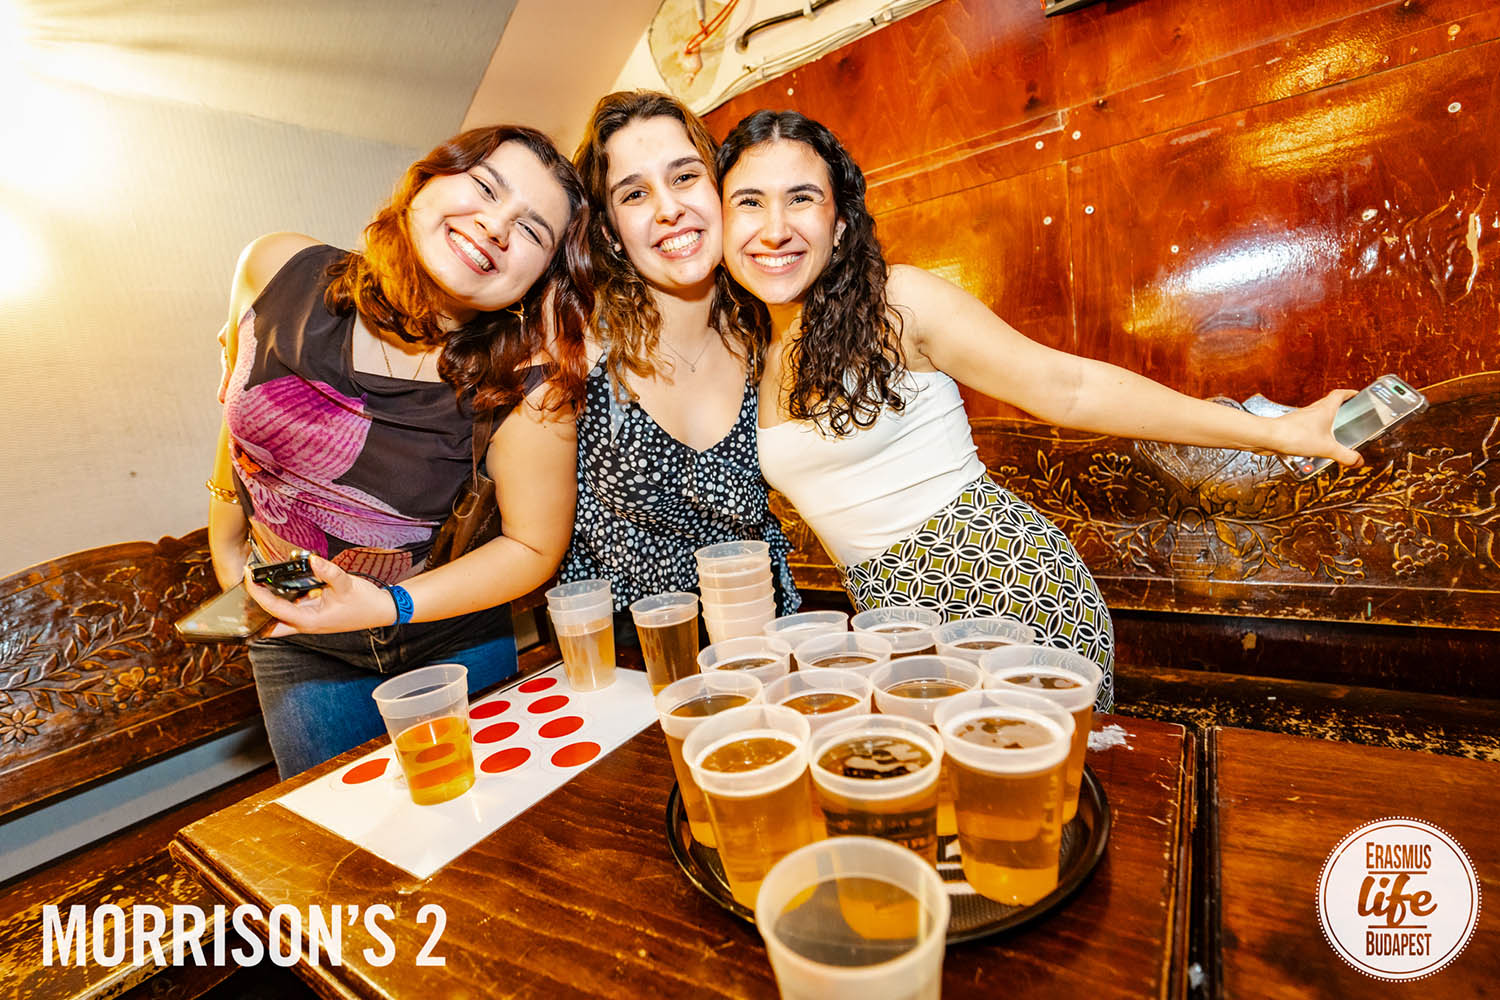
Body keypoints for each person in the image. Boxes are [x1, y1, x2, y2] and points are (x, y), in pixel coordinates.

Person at [716, 111, 1362, 711]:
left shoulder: (897, 302)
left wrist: (1275, 433)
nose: (775, 228)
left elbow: (1070, 387)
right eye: (749, 202)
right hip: (894, 622)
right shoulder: (751, 348)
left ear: (839, 223)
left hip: (1008, 592)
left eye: (802, 198)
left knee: (1039, 790)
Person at [207, 125, 593, 775]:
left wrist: (389, 606)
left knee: (482, 822)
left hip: (449, 639)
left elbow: (533, 548)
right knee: (335, 831)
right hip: (300, 643)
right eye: (485, 187)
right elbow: (240, 397)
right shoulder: (273, 266)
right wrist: (224, 541)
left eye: (532, 230)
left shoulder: (530, 383)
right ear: (424, 182)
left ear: (542, 277)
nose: (496, 225)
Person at [559, 91, 801, 641]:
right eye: (635, 193)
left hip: (762, 631)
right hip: (627, 653)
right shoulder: (577, 349)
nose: (668, 209)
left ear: (723, 191)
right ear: (609, 232)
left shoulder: (771, 330)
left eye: (686, 176)